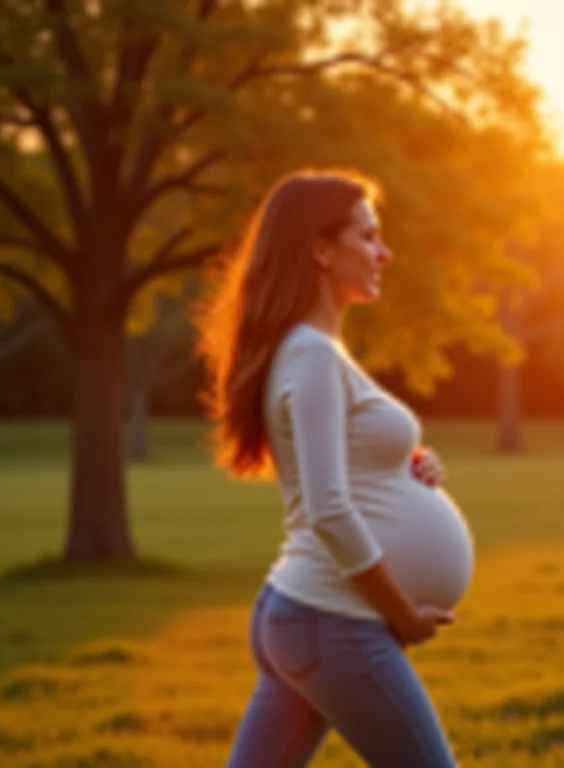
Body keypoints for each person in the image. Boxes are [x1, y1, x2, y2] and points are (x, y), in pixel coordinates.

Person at [197, 168, 475, 767]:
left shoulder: (313, 352)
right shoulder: (312, 355)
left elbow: (340, 468)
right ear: (321, 249)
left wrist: (407, 468)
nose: (385, 252)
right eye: (368, 236)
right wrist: (403, 615)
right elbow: (327, 507)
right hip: (333, 620)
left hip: (305, 618)